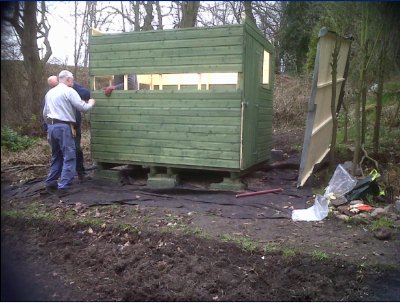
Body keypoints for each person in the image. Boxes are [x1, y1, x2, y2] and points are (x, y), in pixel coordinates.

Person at [43, 70, 96, 194]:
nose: (73, 81)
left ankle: (50, 182)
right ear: (68, 80)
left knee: (56, 155)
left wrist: (49, 126)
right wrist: (91, 103)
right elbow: (83, 108)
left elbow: (45, 113)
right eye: (72, 79)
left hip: (51, 127)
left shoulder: (50, 93)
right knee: (69, 156)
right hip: (64, 127)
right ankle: (64, 186)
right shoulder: (69, 91)